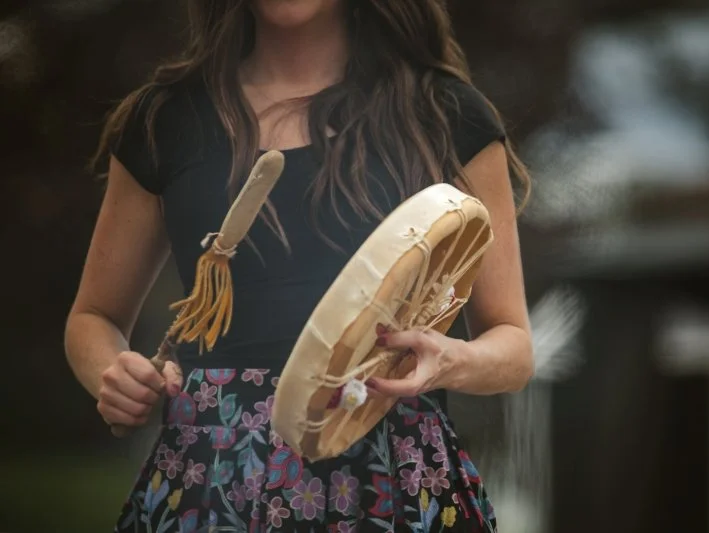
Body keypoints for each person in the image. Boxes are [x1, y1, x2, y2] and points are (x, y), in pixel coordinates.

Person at [64, 0, 534, 531]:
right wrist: (115, 372)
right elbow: (94, 317)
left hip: (393, 477)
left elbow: (513, 344)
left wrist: (450, 361)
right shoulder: (165, 119)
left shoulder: (446, 113)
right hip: (209, 476)